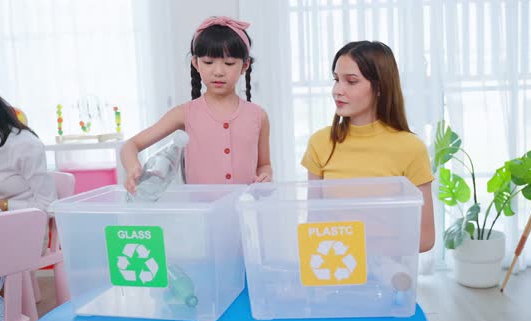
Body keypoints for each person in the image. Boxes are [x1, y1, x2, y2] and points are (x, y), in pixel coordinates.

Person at [301, 41, 435, 253]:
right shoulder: (320, 143)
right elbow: (314, 225)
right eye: (336, 80)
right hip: (335, 268)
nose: (337, 90)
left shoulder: (411, 148)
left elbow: (425, 238)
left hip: (389, 274)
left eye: (351, 81)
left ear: (380, 87)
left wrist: (359, 249)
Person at [122, 16, 272, 192]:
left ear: (245, 65)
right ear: (196, 63)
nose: (218, 71)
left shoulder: (258, 116)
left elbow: (264, 165)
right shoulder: (185, 113)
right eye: (208, 62)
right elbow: (130, 145)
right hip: (199, 214)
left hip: (243, 212)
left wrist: (266, 176)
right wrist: (133, 168)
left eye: (229, 63)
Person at [0, 96, 57, 321]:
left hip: (28, 230)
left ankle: (5, 317)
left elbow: (48, 206)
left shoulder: (25, 145)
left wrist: (5, 205)